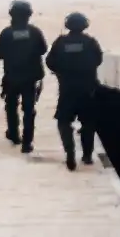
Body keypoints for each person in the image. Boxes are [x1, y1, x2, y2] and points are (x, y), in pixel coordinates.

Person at [46, 12, 103, 172]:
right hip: (87, 89)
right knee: (88, 123)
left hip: (67, 89)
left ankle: (70, 152)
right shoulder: (90, 42)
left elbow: (50, 62)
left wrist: (61, 71)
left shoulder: (60, 42)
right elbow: (98, 60)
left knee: (63, 121)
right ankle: (87, 155)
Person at [0, 0, 48, 154]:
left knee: (11, 105)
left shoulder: (6, 33)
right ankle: (27, 142)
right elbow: (43, 50)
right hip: (31, 77)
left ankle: (14, 134)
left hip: (11, 76)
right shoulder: (35, 32)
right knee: (29, 109)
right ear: (29, 15)